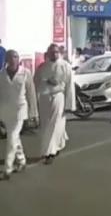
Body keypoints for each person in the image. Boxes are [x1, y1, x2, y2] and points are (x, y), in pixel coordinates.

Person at [34, 44, 75, 164]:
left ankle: (50, 152)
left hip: (58, 96)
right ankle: (56, 144)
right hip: (44, 98)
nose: (54, 54)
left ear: (59, 53)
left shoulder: (65, 66)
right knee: (47, 125)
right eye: (52, 52)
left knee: (55, 123)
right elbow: (35, 83)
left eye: (56, 52)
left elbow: (69, 85)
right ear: (47, 53)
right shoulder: (42, 67)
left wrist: (70, 104)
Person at [0, 50, 38, 179]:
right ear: (6, 59)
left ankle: (7, 169)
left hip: (20, 110)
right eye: (9, 57)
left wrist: (34, 113)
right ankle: (21, 160)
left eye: (15, 57)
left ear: (18, 59)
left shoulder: (25, 73)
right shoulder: (1, 74)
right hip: (6, 111)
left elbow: (31, 94)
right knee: (14, 138)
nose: (12, 59)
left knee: (11, 138)